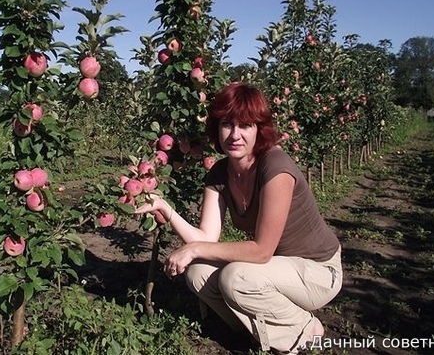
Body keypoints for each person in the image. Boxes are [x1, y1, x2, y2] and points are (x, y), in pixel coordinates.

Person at [134, 82, 343, 354]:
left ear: (260, 130)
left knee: (236, 277)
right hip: (276, 269)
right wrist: (166, 209)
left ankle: (305, 329)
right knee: (198, 273)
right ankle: (250, 332)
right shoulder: (221, 172)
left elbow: (261, 251)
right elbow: (207, 238)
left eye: (245, 126)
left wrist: (194, 249)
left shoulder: (275, 168)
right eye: (226, 125)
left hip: (316, 270)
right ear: (216, 128)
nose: (235, 135)